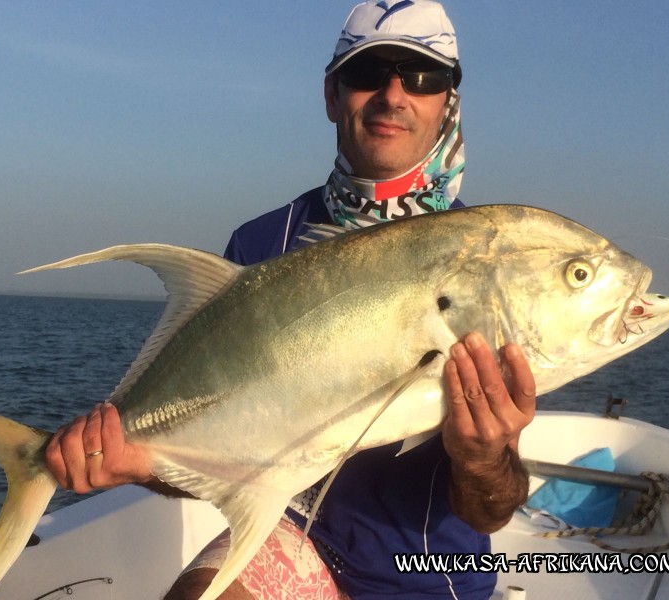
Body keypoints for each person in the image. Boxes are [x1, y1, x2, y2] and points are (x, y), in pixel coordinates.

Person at [45, 1, 536, 598]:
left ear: (446, 103)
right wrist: (138, 460)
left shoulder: (485, 269)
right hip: (290, 533)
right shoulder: (259, 246)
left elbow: (492, 511)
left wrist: (484, 458)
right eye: (367, 71)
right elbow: (219, 451)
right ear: (332, 95)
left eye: (422, 76)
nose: (393, 93)